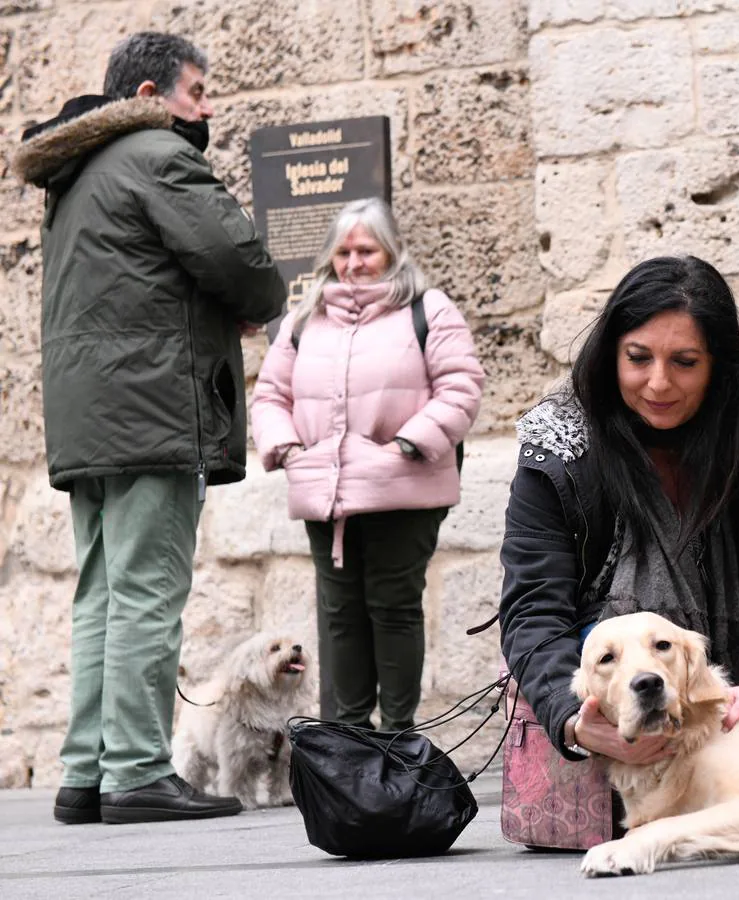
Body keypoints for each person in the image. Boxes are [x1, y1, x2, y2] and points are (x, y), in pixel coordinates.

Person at [12, 32, 287, 824]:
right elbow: (239, 261)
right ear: (145, 98)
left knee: (102, 593)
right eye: (195, 92)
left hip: (93, 416)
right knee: (145, 593)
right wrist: (251, 302)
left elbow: (140, 284)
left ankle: (87, 772)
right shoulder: (155, 155)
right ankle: (135, 772)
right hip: (152, 410)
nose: (206, 107)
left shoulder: (76, 176)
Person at [499, 255, 739, 766]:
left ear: (716, 366)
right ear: (610, 356)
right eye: (638, 358)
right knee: (596, 654)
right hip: (613, 653)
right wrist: (574, 722)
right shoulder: (559, 449)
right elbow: (534, 608)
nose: (659, 384)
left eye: (684, 362)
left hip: (724, 652)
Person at [252, 197, 484, 735]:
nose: (354, 262)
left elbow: (461, 385)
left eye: (367, 250)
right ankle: (350, 736)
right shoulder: (304, 321)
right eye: (344, 251)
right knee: (339, 616)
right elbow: (270, 395)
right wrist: (288, 448)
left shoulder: (430, 310)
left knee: (393, 607)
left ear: (391, 252)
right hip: (325, 492)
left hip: (400, 489)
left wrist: (405, 445)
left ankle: (397, 734)